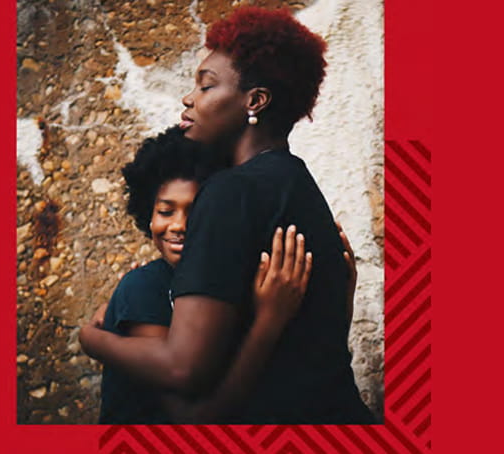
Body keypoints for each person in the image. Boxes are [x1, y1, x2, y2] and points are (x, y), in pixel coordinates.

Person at [80, 7, 374, 423]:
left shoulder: (231, 192)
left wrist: (92, 339)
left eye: (206, 85)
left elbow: (183, 369)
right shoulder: (299, 185)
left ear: (255, 101)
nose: (189, 98)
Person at [94, 126, 313, 424]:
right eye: (166, 211)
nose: (179, 225)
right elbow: (192, 418)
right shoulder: (144, 287)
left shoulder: (226, 283)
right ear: (148, 215)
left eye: (196, 211)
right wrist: (269, 321)